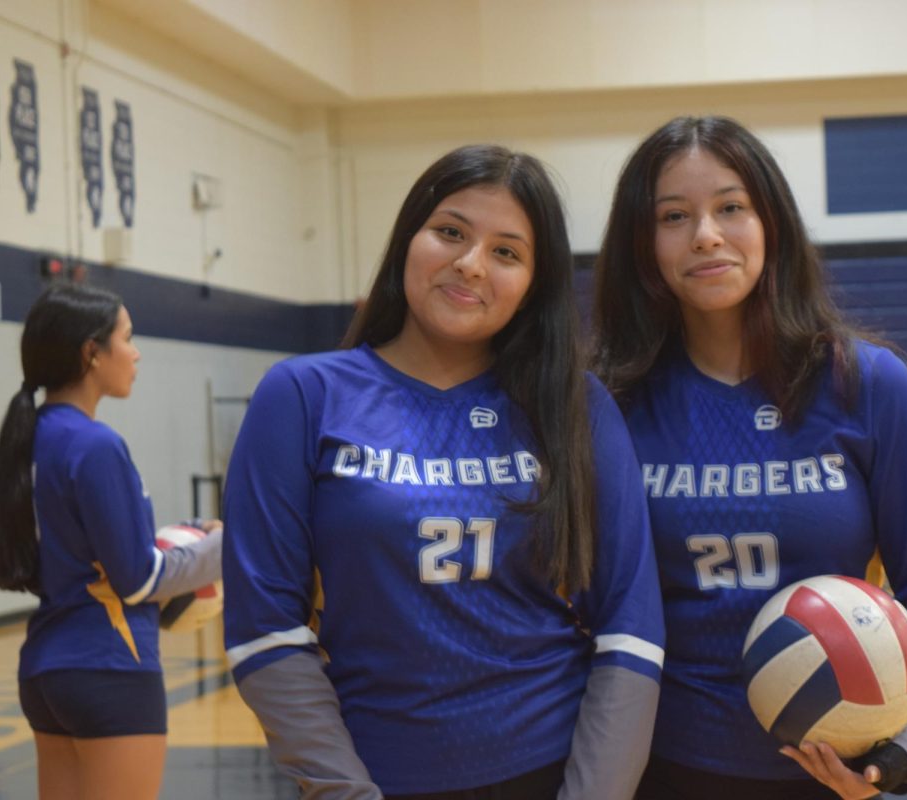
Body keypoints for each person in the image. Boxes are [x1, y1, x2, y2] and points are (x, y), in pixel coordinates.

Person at [222, 145, 665, 800]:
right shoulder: (301, 395)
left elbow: (630, 626)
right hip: (373, 776)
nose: (470, 263)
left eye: (506, 252)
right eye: (451, 232)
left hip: (553, 768)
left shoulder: (574, 406)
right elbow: (266, 627)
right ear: (410, 238)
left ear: (533, 286)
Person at [590, 115, 907, 800]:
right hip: (659, 767)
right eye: (674, 216)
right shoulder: (610, 401)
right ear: (643, 245)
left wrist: (903, 752)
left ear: (772, 222)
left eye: (731, 208)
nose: (706, 234)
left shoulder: (869, 385)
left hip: (833, 768)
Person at [0, 284, 223, 800]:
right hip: (109, 668)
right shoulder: (95, 444)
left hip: (44, 672)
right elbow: (139, 578)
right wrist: (226, 548)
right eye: (128, 337)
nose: (137, 351)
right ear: (91, 352)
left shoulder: (30, 440)